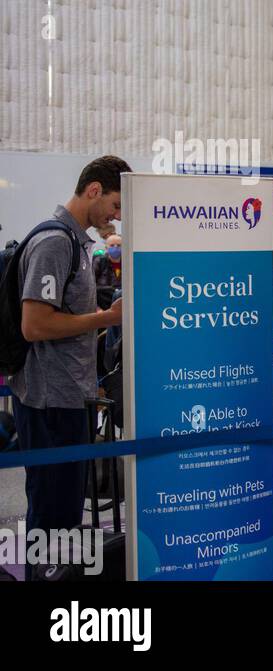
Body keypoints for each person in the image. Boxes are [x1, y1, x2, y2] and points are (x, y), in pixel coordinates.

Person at [11, 155, 130, 579]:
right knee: (51, 512)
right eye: (115, 205)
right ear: (94, 190)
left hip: (68, 395)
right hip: (49, 401)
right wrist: (106, 318)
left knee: (63, 512)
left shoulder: (77, 243)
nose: (117, 216)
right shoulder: (55, 243)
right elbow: (34, 325)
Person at [92, 233, 122, 309]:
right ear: (106, 248)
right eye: (112, 245)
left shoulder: (129, 263)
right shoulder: (99, 262)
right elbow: (91, 285)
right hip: (104, 303)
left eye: (119, 245)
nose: (115, 248)